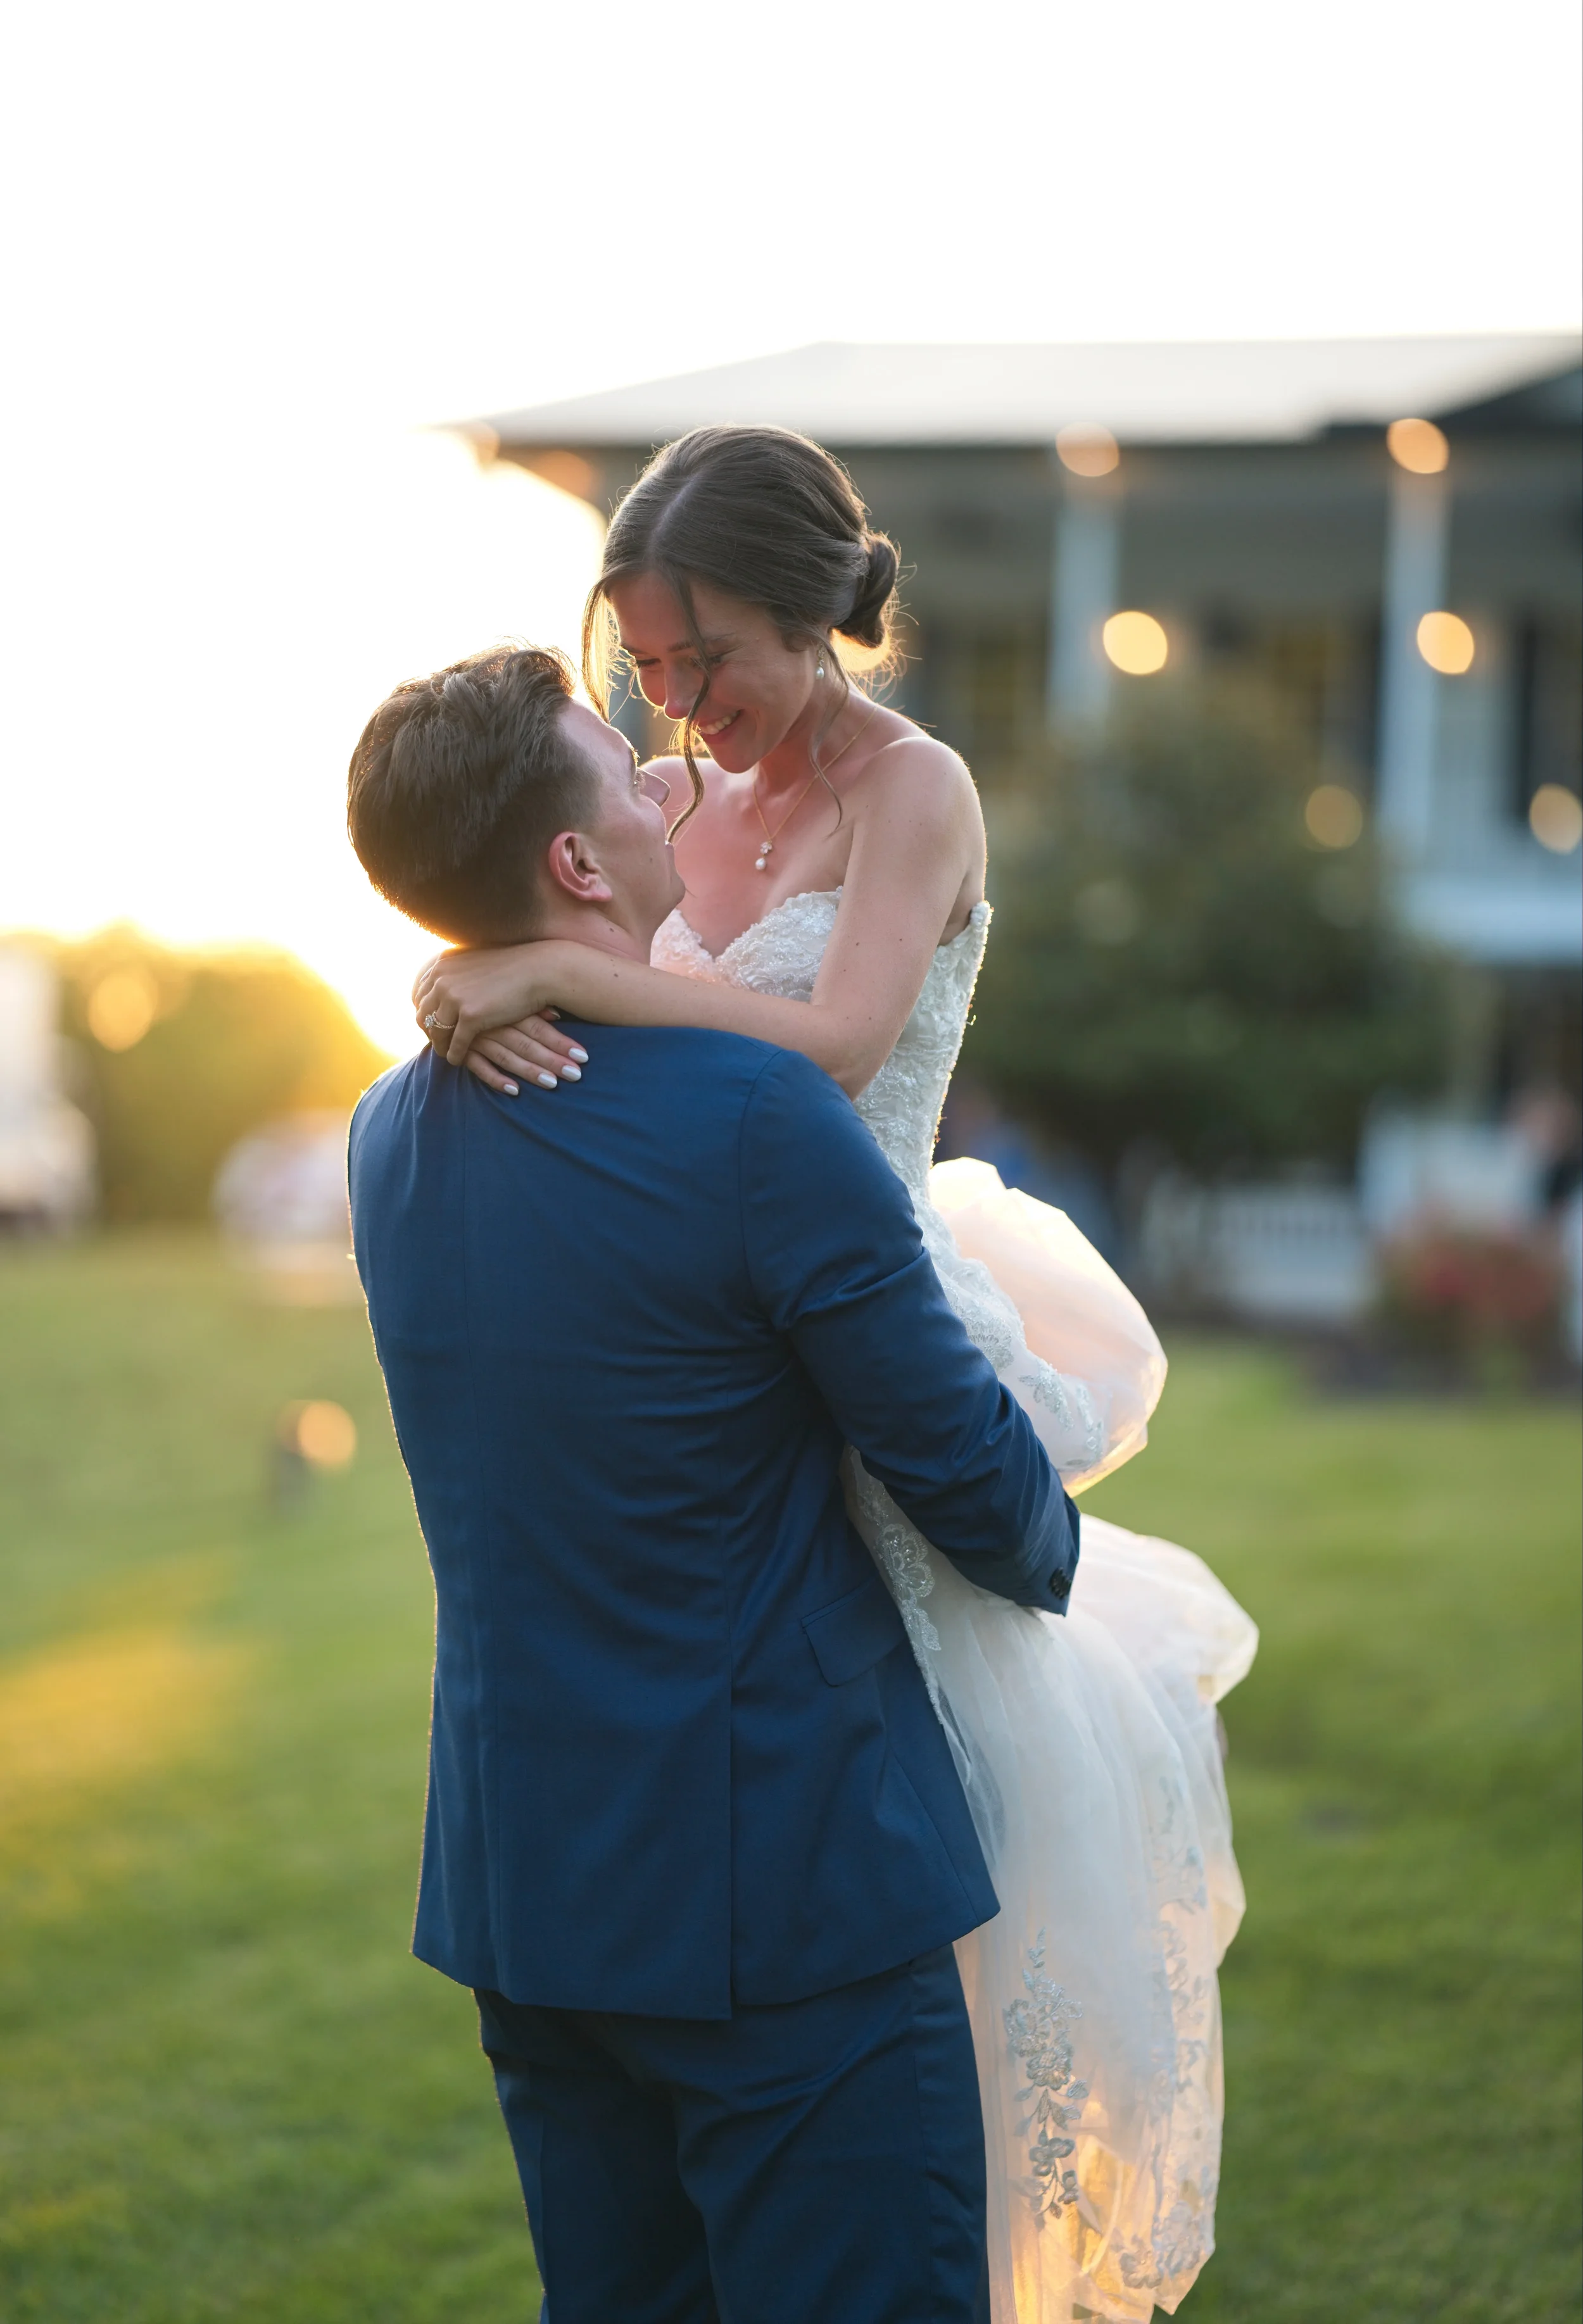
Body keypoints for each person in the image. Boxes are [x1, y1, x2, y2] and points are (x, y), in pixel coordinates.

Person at [410, 427, 1259, 2323]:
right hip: (717, 1331)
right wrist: (499, 985)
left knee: (915, 1791)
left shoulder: (916, 787)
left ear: (817, 613)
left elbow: (836, 1031)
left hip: (863, 1283)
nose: (679, 707)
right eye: (644, 666)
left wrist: (571, 978)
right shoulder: (670, 807)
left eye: (708, 658)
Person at [345, 641, 1083, 2324]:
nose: (660, 767)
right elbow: (972, 1483)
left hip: (527, 1892)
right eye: (617, 763)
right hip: (787, 1901)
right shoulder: (756, 1110)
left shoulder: (390, 1132)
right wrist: (1062, 1525)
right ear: (577, 865)